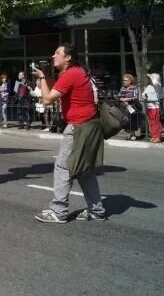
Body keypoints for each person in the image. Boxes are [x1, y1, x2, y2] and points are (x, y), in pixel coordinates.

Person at [33, 44, 106, 223]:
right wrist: (45, 81)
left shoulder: (72, 73)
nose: (53, 55)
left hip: (78, 127)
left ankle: (58, 212)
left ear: (68, 57)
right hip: (88, 125)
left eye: (57, 53)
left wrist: (42, 78)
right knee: (83, 170)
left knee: (63, 167)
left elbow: (48, 99)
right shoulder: (75, 72)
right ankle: (96, 210)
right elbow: (57, 90)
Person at [118, 74, 141, 140]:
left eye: (125, 80)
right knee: (126, 120)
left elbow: (136, 97)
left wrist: (127, 99)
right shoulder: (122, 88)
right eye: (123, 80)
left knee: (132, 120)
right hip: (124, 106)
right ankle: (129, 134)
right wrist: (122, 100)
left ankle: (133, 134)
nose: (124, 81)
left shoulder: (135, 88)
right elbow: (119, 96)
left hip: (132, 106)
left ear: (130, 81)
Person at [142, 73, 163, 143]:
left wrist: (152, 76)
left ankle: (158, 137)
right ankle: (153, 136)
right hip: (149, 106)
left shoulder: (158, 85)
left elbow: (155, 83)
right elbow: (143, 94)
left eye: (151, 78)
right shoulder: (149, 86)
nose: (150, 79)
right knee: (151, 122)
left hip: (155, 107)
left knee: (156, 122)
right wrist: (145, 96)